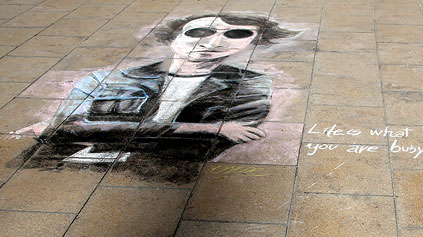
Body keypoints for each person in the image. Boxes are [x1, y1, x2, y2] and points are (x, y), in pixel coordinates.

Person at [35, 13, 299, 162]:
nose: (215, 41)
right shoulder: (103, 79)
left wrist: (101, 129)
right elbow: (64, 130)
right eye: (199, 32)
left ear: (251, 44)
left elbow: (203, 147)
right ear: (173, 37)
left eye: (237, 34)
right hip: (52, 164)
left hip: (153, 176)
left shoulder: (251, 85)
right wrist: (206, 127)